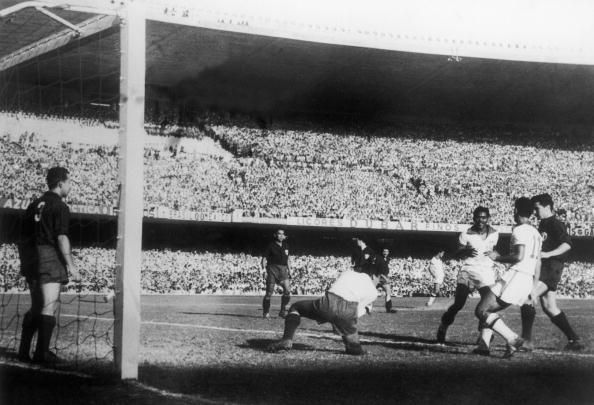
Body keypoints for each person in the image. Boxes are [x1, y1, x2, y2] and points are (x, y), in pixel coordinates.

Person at [17, 167, 81, 363]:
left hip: (31, 257)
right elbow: (61, 236)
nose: (70, 186)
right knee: (48, 306)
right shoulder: (60, 207)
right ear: (60, 183)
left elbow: (23, 237)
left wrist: (26, 262)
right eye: (69, 182)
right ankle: (42, 353)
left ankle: (23, 351)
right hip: (49, 256)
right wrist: (71, 265)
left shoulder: (33, 204)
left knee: (36, 306)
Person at [474, 197, 542, 357]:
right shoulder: (536, 234)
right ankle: (486, 346)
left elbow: (519, 256)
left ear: (516, 210)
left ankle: (512, 339)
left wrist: (497, 257)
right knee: (488, 310)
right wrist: (534, 286)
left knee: (482, 310)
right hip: (526, 278)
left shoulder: (520, 230)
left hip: (516, 276)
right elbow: (538, 261)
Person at [519, 194, 584, 351]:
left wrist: (548, 254)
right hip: (547, 268)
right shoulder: (543, 223)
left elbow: (567, 245)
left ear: (547, 206)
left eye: (537, 208)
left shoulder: (555, 223)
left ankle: (526, 341)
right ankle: (574, 340)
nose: (535, 212)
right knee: (549, 306)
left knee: (528, 298)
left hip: (551, 268)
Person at [267, 266, 380, 355]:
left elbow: (335, 290)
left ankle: (287, 339)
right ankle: (353, 348)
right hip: (348, 312)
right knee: (354, 348)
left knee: (295, 307)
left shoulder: (347, 273)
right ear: (374, 276)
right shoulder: (374, 293)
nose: (378, 282)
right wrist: (363, 311)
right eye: (379, 279)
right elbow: (356, 313)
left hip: (329, 303)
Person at [437, 206, 499, 343]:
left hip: (486, 272)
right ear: (473, 218)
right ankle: (443, 326)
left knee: (489, 305)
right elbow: (455, 253)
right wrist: (464, 252)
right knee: (459, 303)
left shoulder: (495, 234)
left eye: (484, 217)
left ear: (488, 218)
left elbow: (492, 251)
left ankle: (484, 335)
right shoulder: (466, 234)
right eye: (478, 217)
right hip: (468, 271)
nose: (481, 220)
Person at [261, 229, 291, 319]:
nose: (281, 236)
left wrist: (290, 270)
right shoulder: (271, 246)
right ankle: (266, 312)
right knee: (269, 293)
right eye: (279, 234)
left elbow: (288, 259)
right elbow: (264, 259)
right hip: (272, 269)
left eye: (283, 234)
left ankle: (282, 311)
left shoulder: (286, 246)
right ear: (275, 235)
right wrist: (263, 270)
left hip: (283, 270)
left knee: (287, 290)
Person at [376, 247, 395, 313]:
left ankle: (388, 308)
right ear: (382, 252)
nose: (385, 252)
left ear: (388, 252)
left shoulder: (387, 259)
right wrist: (385, 278)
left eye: (387, 251)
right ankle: (388, 308)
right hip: (379, 277)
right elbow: (379, 271)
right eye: (384, 251)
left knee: (388, 292)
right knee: (387, 291)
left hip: (383, 277)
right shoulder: (379, 259)